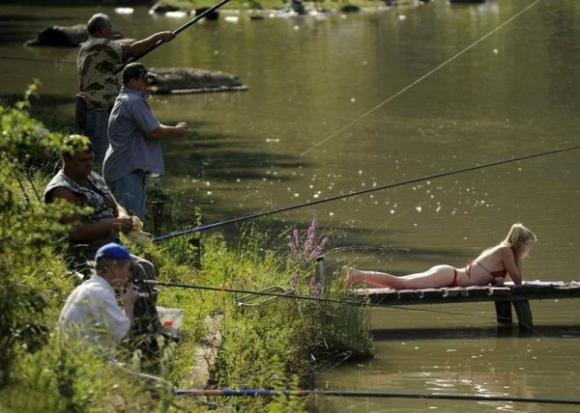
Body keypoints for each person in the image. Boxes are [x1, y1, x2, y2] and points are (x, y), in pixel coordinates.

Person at [44, 135, 163, 346]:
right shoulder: (61, 190)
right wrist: (112, 224)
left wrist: (123, 217)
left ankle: (144, 328)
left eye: (91, 159)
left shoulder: (92, 177)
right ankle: (143, 338)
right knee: (136, 270)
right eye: (83, 160)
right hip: (83, 254)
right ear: (67, 160)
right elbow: (76, 233)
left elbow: (114, 203)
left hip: (109, 247)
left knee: (148, 267)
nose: (89, 164)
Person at [76, 13, 176, 164]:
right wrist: (160, 36)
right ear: (102, 29)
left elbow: (105, 67)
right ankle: (100, 184)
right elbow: (133, 50)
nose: (111, 30)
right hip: (99, 108)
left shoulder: (85, 47)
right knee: (100, 154)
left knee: (90, 150)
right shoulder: (102, 44)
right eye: (109, 27)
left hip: (86, 106)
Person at [103, 62, 188, 219]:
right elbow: (153, 132)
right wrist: (176, 131)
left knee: (123, 220)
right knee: (132, 222)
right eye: (144, 81)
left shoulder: (127, 98)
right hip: (126, 170)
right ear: (133, 82)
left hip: (122, 167)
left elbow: (152, 126)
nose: (147, 85)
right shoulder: (134, 101)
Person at [346, 223, 537, 289]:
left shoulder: (504, 251)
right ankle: (357, 275)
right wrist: (520, 257)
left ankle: (358, 275)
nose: (530, 251)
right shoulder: (506, 251)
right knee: (401, 284)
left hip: (448, 275)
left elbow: (491, 276)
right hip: (449, 276)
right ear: (522, 244)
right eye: (529, 247)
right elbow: (518, 281)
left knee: (401, 282)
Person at [59, 243, 136, 351]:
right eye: (129, 269)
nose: (130, 274)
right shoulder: (101, 293)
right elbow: (124, 339)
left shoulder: (84, 288)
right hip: (88, 363)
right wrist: (129, 304)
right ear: (114, 268)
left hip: (76, 360)